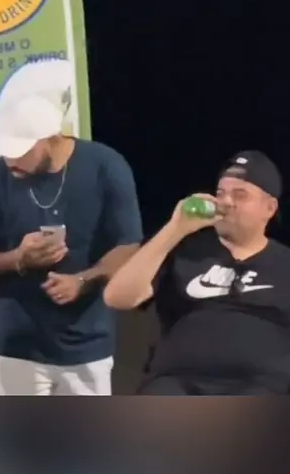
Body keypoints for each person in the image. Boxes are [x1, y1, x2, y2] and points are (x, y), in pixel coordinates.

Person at [0, 94, 143, 395]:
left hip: (87, 344)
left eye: (21, 151)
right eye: (6, 152)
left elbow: (129, 246)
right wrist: (17, 258)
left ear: (51, 139)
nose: (11, 161)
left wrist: (83, 280)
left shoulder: (105, 166)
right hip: (16, 346)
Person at [104, 150, 290, 395]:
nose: (226, 202)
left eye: (240, 195)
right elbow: (117, 297)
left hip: (260, 386)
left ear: (269, 208)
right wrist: (175, 229)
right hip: (178, 385)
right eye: (220, 193)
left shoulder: (284, 263)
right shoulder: (184, 251)